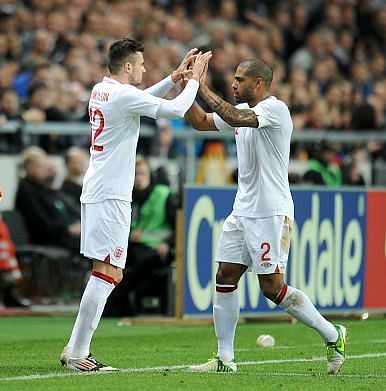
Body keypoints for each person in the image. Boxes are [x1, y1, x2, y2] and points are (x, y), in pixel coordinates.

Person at [184, 58, 347, 374]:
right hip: (242, 210)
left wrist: (201, 85)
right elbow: (201, 122)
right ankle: (224, 359)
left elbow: (234, 115)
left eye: (239, 79)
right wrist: (186, 87)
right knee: (226, 276)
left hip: (271, 212)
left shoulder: (275, 109)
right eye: (233, 79)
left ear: (259, 83)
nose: (233, 84)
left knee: (272, 288)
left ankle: (333, 333)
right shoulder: (242, 113)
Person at [59, 38, 210, 371]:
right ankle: (79, 354)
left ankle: (74, 348)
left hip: (101, 189)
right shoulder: (121, 95)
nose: (144, 68)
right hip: (110, 193)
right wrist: (195, 80)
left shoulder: (104, 89)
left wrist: (173, 79)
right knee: (108, 271)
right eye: (141, 64)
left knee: (106, 270)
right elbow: (174, 110)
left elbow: (140, 100)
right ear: (127, 67)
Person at [105, 157, 177, 317]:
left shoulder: (164, 195)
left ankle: (110, 305)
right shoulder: (128, 196)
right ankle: (121, 307)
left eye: (142, 174)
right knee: (113, 261)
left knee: (134, 267)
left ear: (149, 175)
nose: (138, 178)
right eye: (135, 174)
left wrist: (167, 244)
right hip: (135, 247)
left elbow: (178, 226)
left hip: (159, 249)